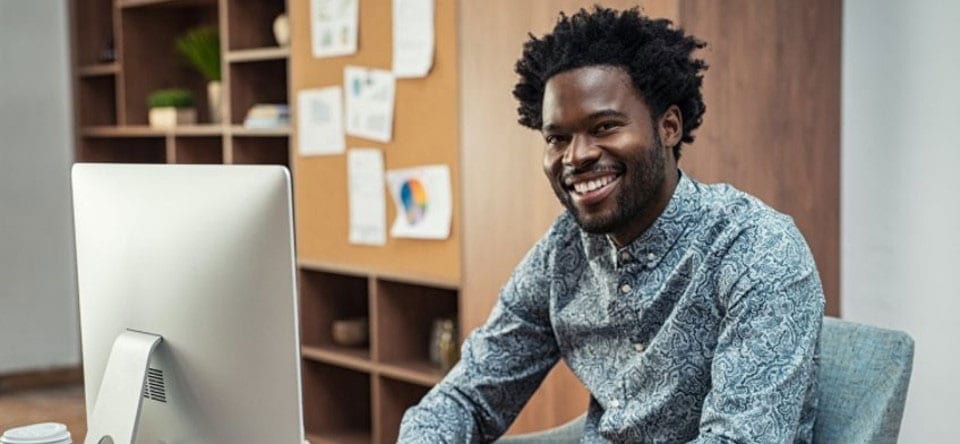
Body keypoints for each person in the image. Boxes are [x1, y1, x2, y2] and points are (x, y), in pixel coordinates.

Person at [399, 6, 824, 443]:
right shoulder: (564, 251)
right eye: (557, 138)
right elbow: (467, 397)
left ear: (669, 127)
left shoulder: (756, 249)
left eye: (604, 126)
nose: (575, 156)